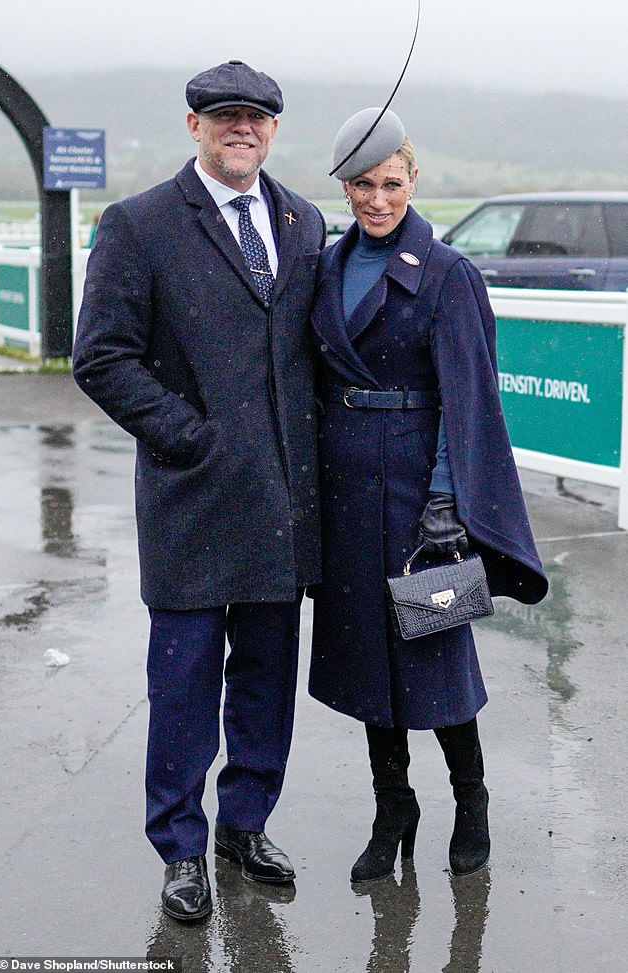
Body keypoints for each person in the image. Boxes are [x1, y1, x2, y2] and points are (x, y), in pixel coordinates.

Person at [73, 60, 325, 921]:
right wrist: (192, 437)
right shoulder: (139, 225)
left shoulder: (304, 220)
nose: (241, 128)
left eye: (256, 117)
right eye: (224, 116)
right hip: (191, 501)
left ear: (274, 129)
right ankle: (180, 847)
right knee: (183, 686)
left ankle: (244, 824)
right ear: (194, 126)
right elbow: (100, 357)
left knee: (265, 677)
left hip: (281, 508)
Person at [308, 108, 548, 883]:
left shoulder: (448, 274)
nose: (377, 200)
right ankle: (393, 808)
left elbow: (467, 394)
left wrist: (445, 504)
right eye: (362, 186)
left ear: (414, 180)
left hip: (418, 493)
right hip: (345, 492)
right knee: (370, 660)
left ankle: (470, 800)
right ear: (345, 187)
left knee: (436, 651)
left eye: (391, 183)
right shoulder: (328, 266)